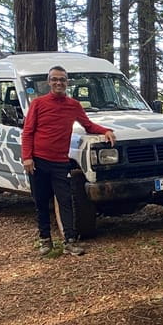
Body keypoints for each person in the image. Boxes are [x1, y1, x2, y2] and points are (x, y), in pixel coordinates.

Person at [21, 66, 116, 256]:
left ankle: (70, 241)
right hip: (38, 161)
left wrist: (105, 131)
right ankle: (45, 240)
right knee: (40, 201)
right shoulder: (38, 104)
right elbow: (28, 132)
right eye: (55, 79)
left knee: (65, 201)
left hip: (60, 162)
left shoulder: (73, 105)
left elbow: (88, 125)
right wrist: (27, 157)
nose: (58, 83)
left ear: (67, 82)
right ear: (49, 82)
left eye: (62, 80)